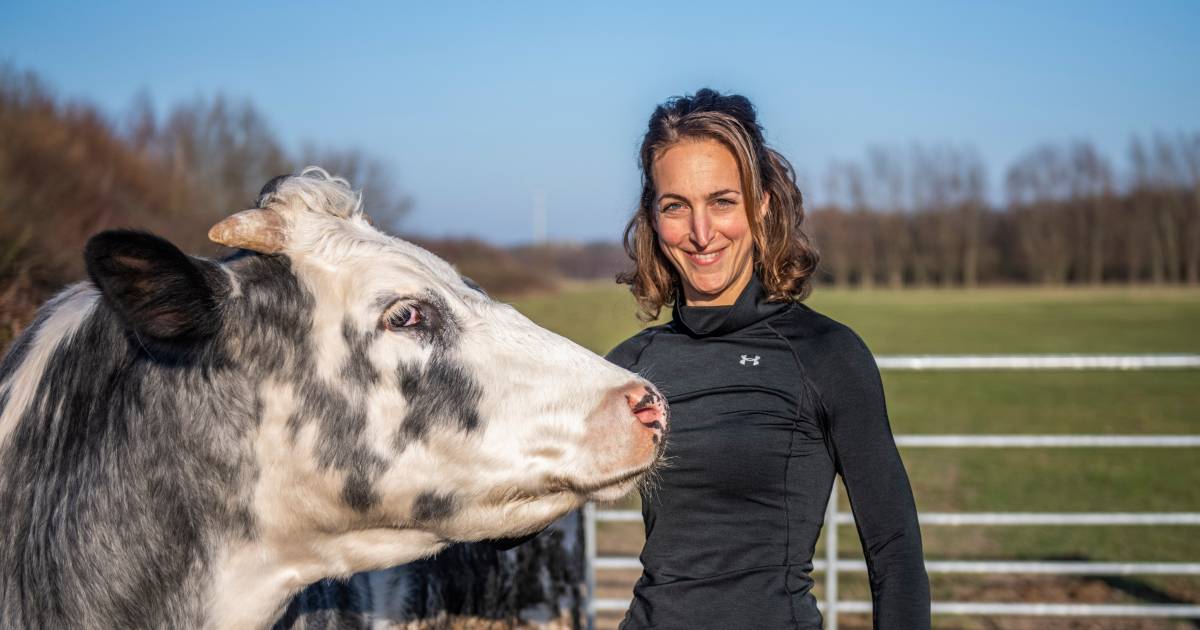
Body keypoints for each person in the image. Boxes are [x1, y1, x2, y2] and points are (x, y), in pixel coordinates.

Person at [606, 88, 930, 629]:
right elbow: (516, 520)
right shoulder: (629, 368)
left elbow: (895, 553)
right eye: (675, 206)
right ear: (654, 220)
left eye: (722, 201)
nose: (701, 233)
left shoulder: (824, 354)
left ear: (762, 205)